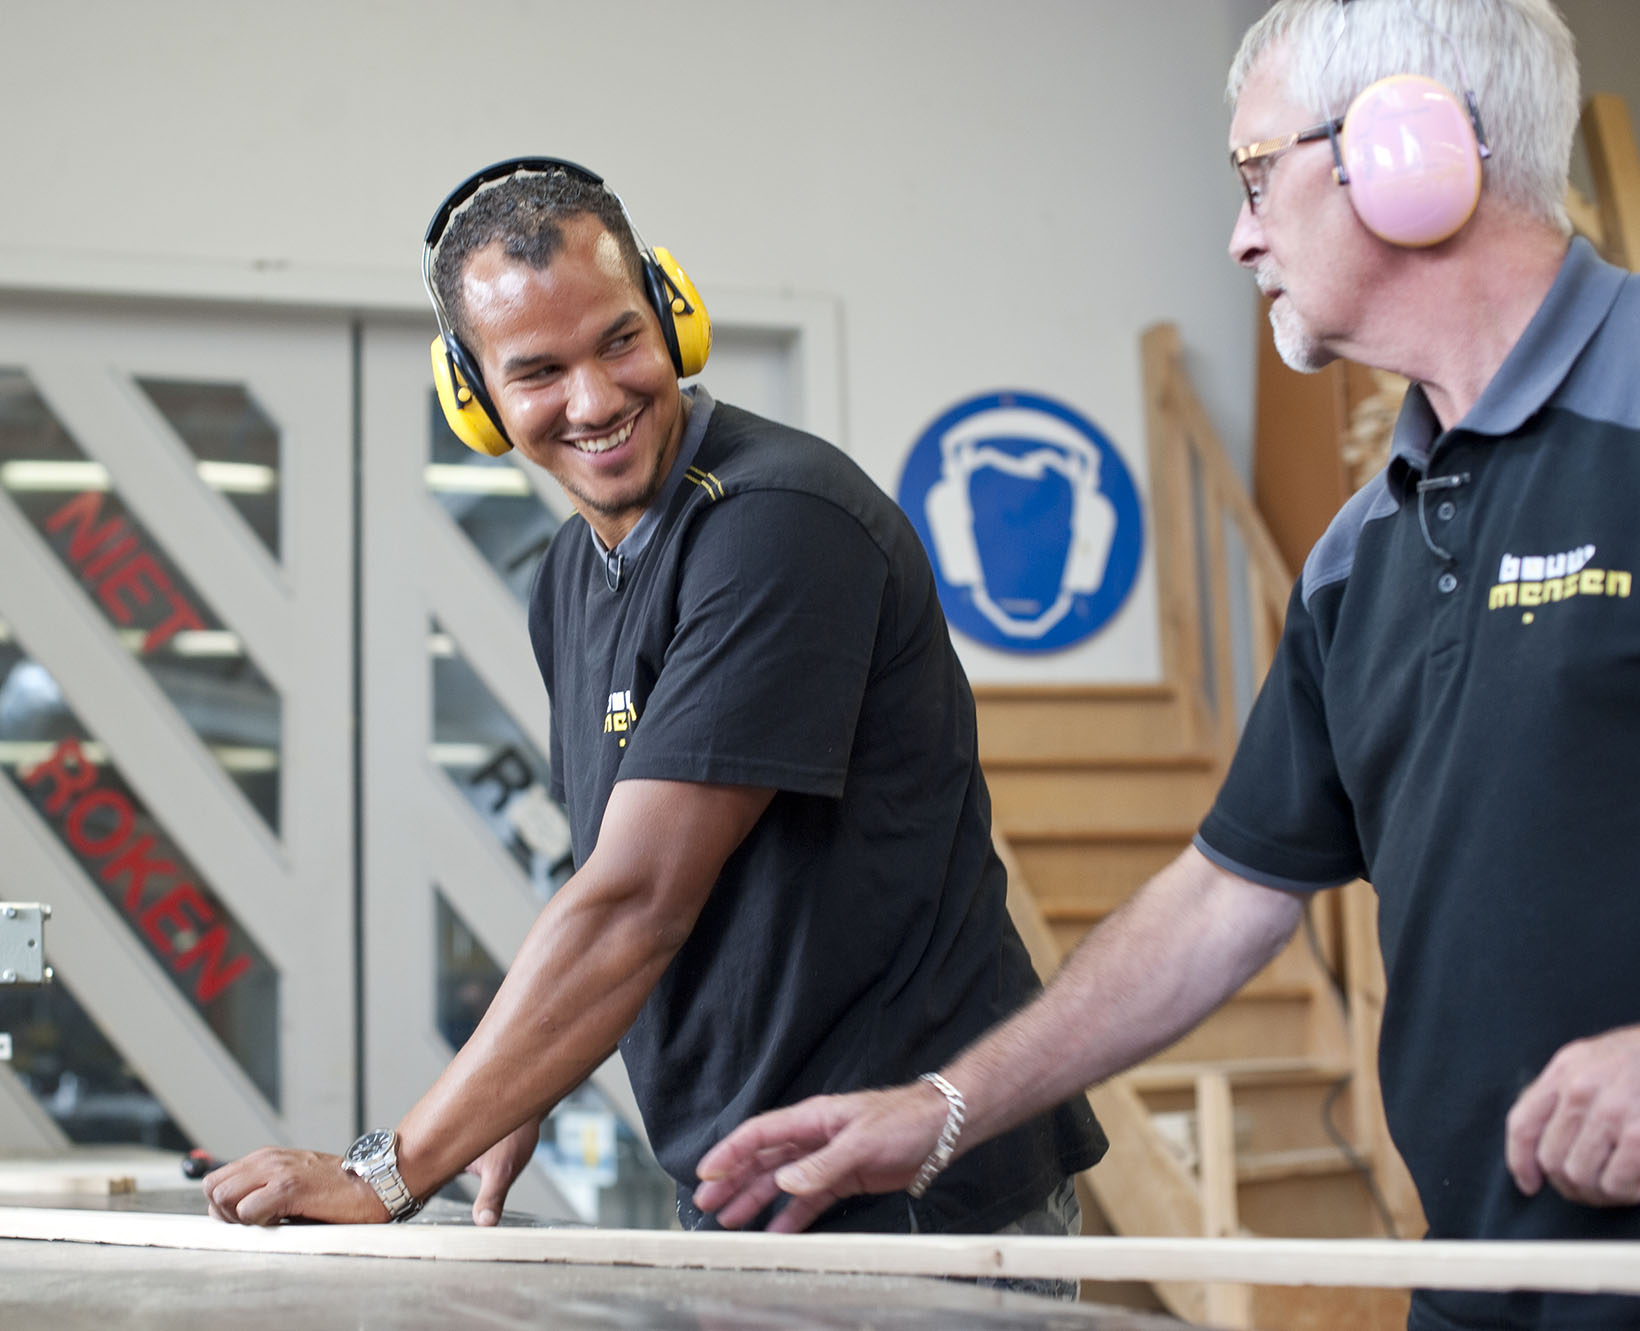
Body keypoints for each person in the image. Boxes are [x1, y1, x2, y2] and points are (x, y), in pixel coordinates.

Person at [694, 2, 1640, 1326]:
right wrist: (943, 1108)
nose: (1241, 235)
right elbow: (1225, 896)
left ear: (1406, 148)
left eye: (1256, 175)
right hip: (1485, 1283)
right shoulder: (1361, 552)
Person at [203, 159, 1104, 1257]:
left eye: (618, 341)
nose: (593, 400)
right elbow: (605, 873)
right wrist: (512, 1078)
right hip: (756, 1188)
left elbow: (637, 901)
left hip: (913, 1195)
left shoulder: (779, 523)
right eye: (538, 371)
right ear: (474, 398)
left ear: (674, 318)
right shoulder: (571, 578)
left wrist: (388, 1171)